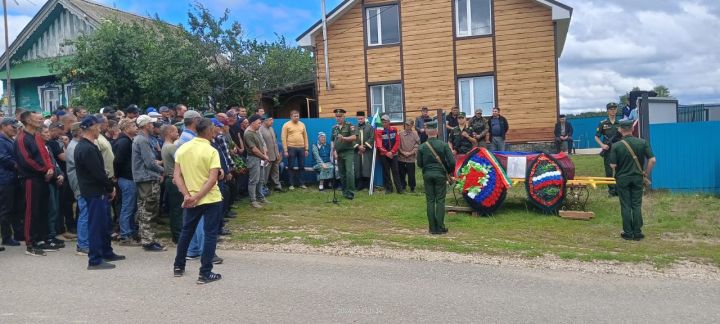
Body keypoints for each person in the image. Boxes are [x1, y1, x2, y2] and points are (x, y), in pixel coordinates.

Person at [173, 118, 224, 284]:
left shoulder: (183, 148)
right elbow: (212, 179)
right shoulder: (211, 151)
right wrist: (197, 196)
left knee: (187, 231)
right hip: (210, 198)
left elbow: (177, 176)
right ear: (209, 131)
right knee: (210, 234)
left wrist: (187, 195)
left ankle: (178, 266)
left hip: (191, 198)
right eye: (213, 130)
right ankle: (205, 272)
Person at [74, 116, 124, 270]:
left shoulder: (89, 146)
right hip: (94, 191)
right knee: (96, 225)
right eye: (98, 126)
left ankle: (106, 251)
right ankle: (95, 259)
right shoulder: (86, 148)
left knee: (104, 223)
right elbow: (98, 173)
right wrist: (110, 187)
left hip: (97, 190)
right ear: (91, 128)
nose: (100, 129)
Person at [16, 111, 61, 256]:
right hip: (30, 179)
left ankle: (41, 239)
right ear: (28, 120)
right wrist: (44, 170)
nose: (40, 120)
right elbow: (26, 160)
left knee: (42, 210)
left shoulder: (36, 136)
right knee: (31, 211)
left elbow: (45, 154)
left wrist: (50, 169)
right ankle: (30, 243)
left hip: (43, 178)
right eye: (37, 118)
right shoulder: (22, 138)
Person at [609, 120, 656, 241]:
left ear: (620, 130)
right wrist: (646, 172)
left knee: (625, 205)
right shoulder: (642, 142)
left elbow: (613, 165)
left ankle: (628, 232)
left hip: (622, 179)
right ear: (632, 129)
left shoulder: (616, 146)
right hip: (637, 178)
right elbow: (652, 160)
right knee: (636, 204)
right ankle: (638, 232)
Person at [131, 115, 165, 251]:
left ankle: (144, 236)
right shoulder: (142, 140)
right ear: (146, 126)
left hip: (144, 177)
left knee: (144, 208)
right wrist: (163, 171)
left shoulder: (141, 139)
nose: (153, 126)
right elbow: (150, 162)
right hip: (147, 178)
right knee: (148, 209)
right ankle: (148, 241)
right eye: (151, 124)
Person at [417, 120, 455, 235]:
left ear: (427, 132)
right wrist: (447, 171)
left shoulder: (422, 147)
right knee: (440, 200)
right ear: (437, 131)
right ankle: (440, 227)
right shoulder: (443, 145)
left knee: (430, 200)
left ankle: (432, 228)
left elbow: (419, 164)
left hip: (427, 175)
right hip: (440, 175)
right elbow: (452, 162)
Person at [113, 118, 139, 245]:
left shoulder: (128, 140)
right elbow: (117, 161)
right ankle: (125, 234)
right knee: (127, 207)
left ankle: (130, 231)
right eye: (133, 125)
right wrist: (117, 176)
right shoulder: (123, 142)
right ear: (126, 128)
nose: (136, 127)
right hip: (126, 178)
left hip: (128, 177)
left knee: (131, 206)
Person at [65, 122, 90, 255]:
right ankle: (83, 244)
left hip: (82, 183)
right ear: (79, 132)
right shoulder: (75, 146)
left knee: (85, 212)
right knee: (84, 213)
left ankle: (85, 242)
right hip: (80, 184)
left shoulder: (77, 145)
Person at [0, 118, 20, 249]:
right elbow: (4, 158)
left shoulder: (10, 140)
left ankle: (11, 235)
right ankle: (6, 237)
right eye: (13, 127)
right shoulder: (1, 141)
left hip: (11, 178)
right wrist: (18, 165)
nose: (15, 129)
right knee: (5, 209)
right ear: (4, 126)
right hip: (4, 179)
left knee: (11, 208)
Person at [161, 124, 182, 243]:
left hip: (170, 178)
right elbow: (181, 162)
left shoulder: (165, 146)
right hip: (174, 179)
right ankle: (178, 235)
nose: (178, 132)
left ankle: (177, 234)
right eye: (175, 131)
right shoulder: (171, 147)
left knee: (175, 208)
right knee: (177, 208)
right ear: (169, 133)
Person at [595, 102, 621, 197]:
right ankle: (611, 190)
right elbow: (596, 137)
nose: (613, 110)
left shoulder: (620, 123)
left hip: (618, 149)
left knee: (619, 170)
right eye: (611, 109)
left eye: (614, 109)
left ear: (616, 110)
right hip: (608, 150)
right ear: (607, 111)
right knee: (609, 170)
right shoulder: (603, 123)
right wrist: (602, 145)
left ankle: (618, 189)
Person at [245, 115, 270, 208]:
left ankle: (261, 197)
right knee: (253, 180)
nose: (260, 125)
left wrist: (265, 155)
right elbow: (254, 150)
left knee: (261, 179)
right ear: (252, 123)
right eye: (258, 123)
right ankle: (253, 200)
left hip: (260, 158)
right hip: (253, 159)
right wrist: (265, 157)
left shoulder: (257, 132)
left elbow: (262, 144)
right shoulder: (248, 133)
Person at [332, 108, 357, 199]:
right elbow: (332, 140)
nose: (338, 118)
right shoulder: (334, 128)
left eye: (340, 116)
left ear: (344, 116)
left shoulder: (349, 125)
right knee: (341, 173)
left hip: (348, 151)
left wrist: (344, 138)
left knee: (349, 172)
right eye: (337, 116)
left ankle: (350, 192)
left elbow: (354, 137)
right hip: (338, 153)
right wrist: (334, 151)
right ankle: (344, 191)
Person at [374, 114, 403, 194]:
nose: (384, 124)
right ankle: (389, 189)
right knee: (386, 172)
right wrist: (386, 153)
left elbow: (397, 141)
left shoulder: (394, 129)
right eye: (383, 122)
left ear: (389, 122)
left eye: (385, 122)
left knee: (396, 171)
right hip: (384, 155)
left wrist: (392, 152)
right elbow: (379, 144)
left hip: (394, 154)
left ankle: (399, 189)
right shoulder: (379, 131)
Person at [281, 110, 309, 190]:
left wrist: (306, 149)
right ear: (291, 116)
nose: (296, 117)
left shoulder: (302, 125)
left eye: (297, 116)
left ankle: (302, 183)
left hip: (301, 148)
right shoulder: (286, 125)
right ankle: (291, 184)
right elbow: (283, 138)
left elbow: (305, 137)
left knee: (302, 166)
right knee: (291, 166)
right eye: (294, 116)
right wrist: (285, 150)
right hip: (291, 148)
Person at [259, 116, 282, 192]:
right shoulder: (260, 130)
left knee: (276, 171)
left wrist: (277, 153)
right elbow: (261, 144)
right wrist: (264, 156)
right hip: (267, 156)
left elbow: (275, 142)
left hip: (275, 154)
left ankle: (277, 186)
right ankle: (263, 188)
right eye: (270, 120)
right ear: (265, 121)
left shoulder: (271, 129)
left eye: (272, 120)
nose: (272, 122)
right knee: (265, 173)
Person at [398, 119, 420, 193]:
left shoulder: (415, 133)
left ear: (412, 126)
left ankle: (412, 187)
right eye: (406, 125)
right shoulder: (400, 134)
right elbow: (398, 145)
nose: (407, 126)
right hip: (401, 157)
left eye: (408, 125)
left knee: (411, 174)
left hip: (411, 158)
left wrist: (411, 152)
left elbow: (417, 144)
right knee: (401, 173)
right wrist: (402, 152)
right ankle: (403, 186)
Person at [354, 111, 374, 190]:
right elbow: (352, 139)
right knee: (358, 167)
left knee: (367, 166)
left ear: (364, 118)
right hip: (357, 151)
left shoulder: (370, 127)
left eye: (361, 119)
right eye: (358, 119)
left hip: (367, 151)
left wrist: (364, 146)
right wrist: (358, 147)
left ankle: (368, 184)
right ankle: (360, 184)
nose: (360, 120)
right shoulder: (354, 128)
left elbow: (372, 138)